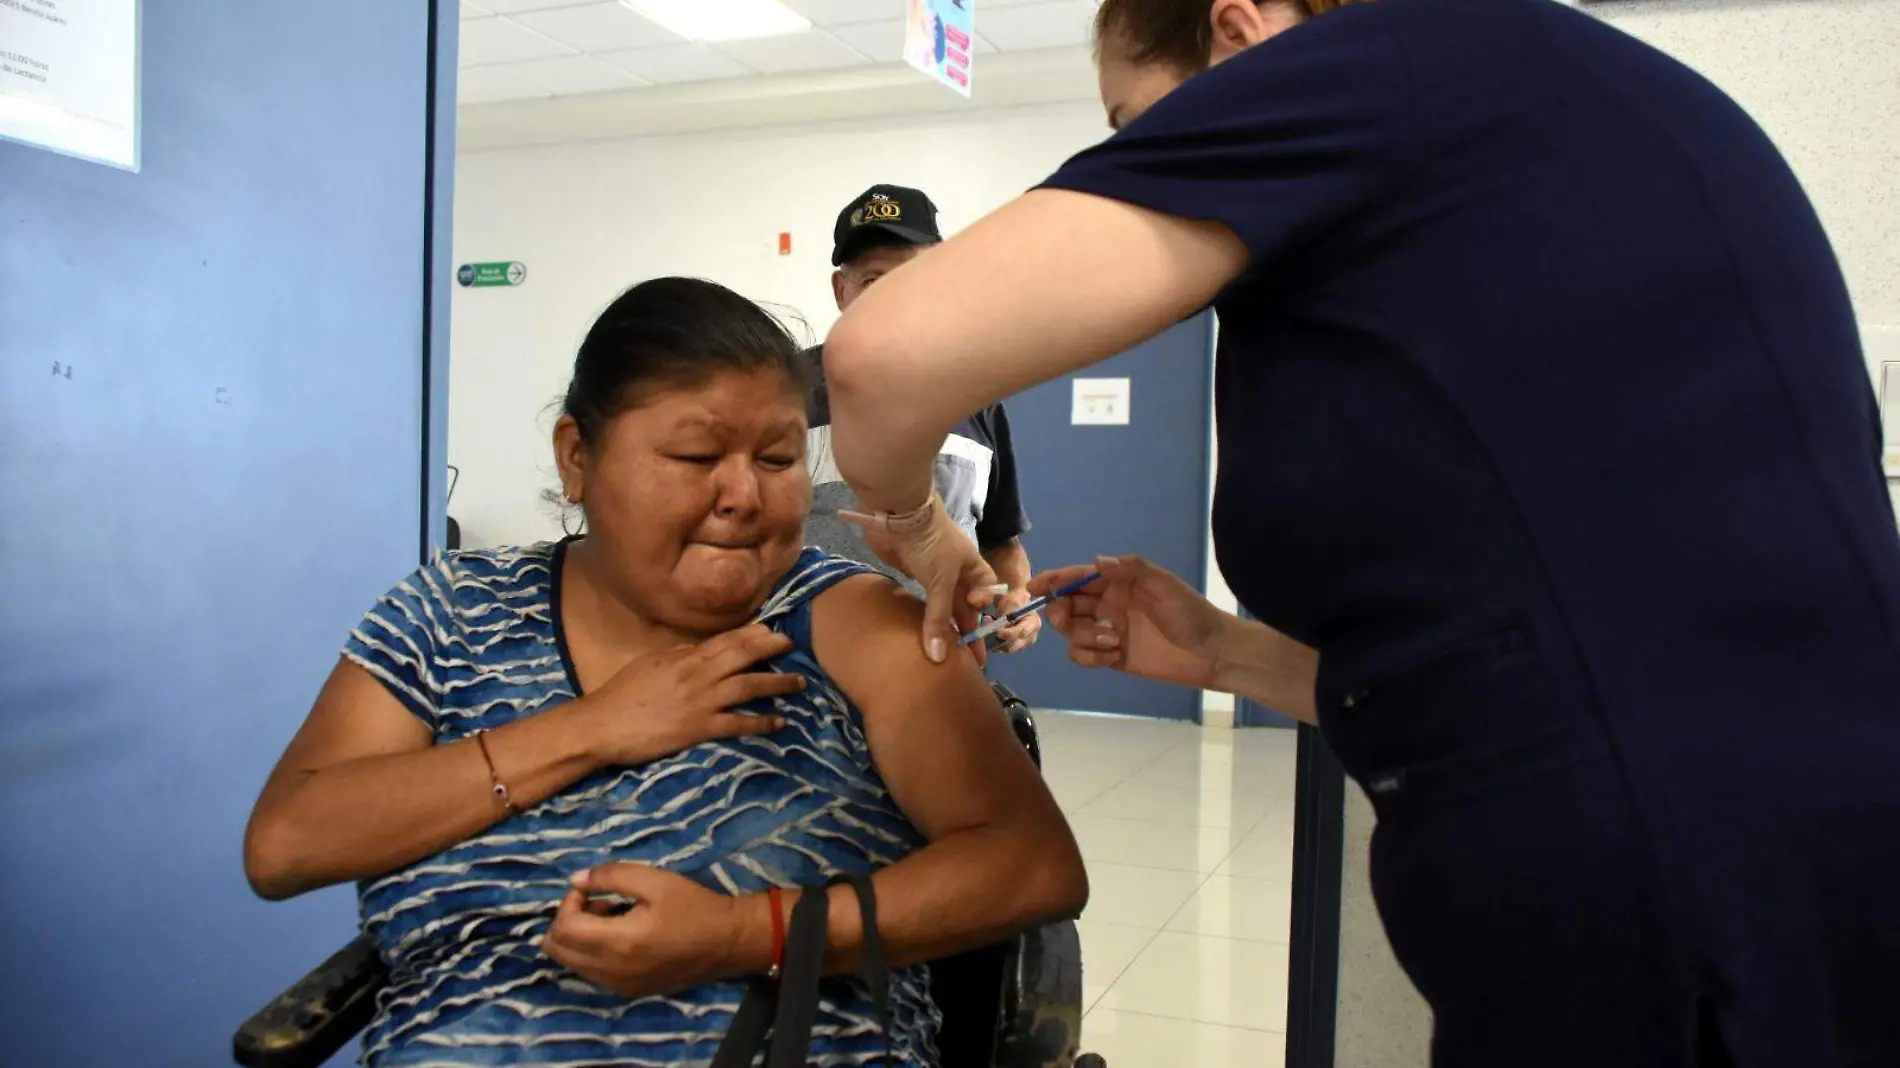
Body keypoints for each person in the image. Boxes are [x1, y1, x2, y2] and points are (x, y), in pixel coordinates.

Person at [817, 1, 1900, 1066]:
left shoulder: (1364, 71)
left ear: (1238, 35)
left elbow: (878, 358)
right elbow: (1528, 653)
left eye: (1133, 124)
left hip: (1668, 910)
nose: (1140, 161)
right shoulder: (1586, 107)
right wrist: (1223, 653)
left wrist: (920, 530)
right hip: (1802, 865)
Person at [242, 277, 1087, 1067]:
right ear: (577, 457)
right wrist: (590, 729)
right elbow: (286, 845)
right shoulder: (453, 612)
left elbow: (1032, 865)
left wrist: (739, 933)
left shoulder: (849, 621)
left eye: (777, 459)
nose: (742, 495)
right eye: (694, 456)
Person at [805, 183, 1041, 654]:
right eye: (872, 280)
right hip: (804, 680)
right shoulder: (781, 392)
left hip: (943, 672)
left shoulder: (976, 400)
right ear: (840, 290)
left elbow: (1001, 543)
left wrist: (1016, 600)